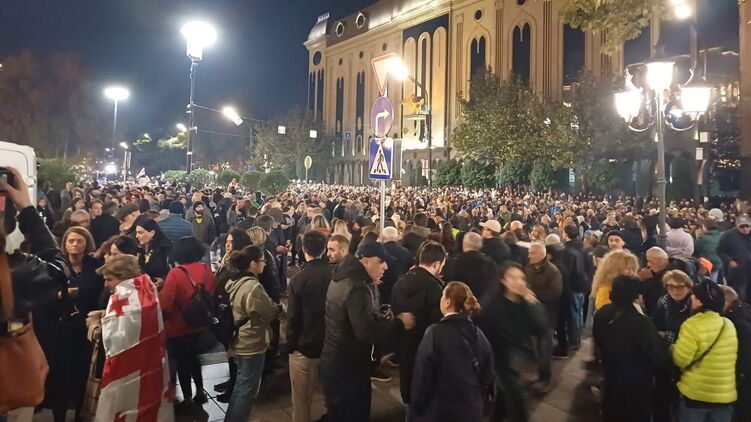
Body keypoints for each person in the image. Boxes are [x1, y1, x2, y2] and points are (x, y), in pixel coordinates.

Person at [320, 241, 415, 421]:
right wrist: (399, 323)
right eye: (381, 262)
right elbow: (365, 332)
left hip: (336, 363)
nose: (386, 267)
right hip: (349, 370)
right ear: (365, 261)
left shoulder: (344, 277)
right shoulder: (357, 288)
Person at [94, 255, 173, 421]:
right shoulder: (146, 289)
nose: (106, 284)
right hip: (151, 361)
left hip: (127, 368)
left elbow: (115, 339)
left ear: (123, 277)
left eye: (109, 279)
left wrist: (94, 326)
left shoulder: (122, 297)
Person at [410, 281, 494, 422]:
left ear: (448, 302)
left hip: (441, 410)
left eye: (443, 296)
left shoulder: (434, 333)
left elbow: (423, 374)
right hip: (471, 409)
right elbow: (488, 372)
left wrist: (417, 407)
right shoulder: (478, 333)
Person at [592, 275, 671, 422]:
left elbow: (598, 343)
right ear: (635, 296)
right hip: (636, 384)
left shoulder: (602, 313)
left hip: (611, 377)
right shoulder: (641, 322)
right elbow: (659, 356)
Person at [477, 263, 547, 422]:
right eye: (512, 278)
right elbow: (483, 333)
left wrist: (533, 304)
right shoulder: (492, 304)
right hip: (500, 361)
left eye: (521, 278)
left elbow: (541, 328)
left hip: (519, 360)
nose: (518, 282)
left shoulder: (525, 303)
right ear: (503, 281)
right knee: (518, 405)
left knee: (503, 402)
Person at [224, 246, 280, 422]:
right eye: (263, 261)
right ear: (253, 263)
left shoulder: (235, 281)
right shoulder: (253, 286)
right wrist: (278, 308)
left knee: (241, 386)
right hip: (251, 342)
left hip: (238, 339)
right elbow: (268, 311)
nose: (265, 264)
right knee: (247, 391)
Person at [160, 236, 216, 409]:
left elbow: (165, 306)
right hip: (201, 325)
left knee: (182, 362)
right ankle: (200, 390)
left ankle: (187, 398)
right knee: (194, 359)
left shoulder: (176, 273)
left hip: (179, 326)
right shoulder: (207, 269)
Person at [390, 242, 447, 411]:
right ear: (437, 264)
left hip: (404, 346)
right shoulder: (435, 288)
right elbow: (437, 324)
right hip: (425, 350)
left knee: (409, 392)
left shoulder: (400, 282)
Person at [673, 279, 738, 421]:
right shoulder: (728, 325)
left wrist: (672, 348)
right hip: (724, 396)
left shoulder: (692, 325)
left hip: (696, 396)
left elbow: (681, 360)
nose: (691, 297)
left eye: (694, 296)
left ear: (700, 302)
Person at [286, 231, 331, 422]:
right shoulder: (335, 274)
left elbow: (293, 318)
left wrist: (289, 345)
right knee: (332, 397)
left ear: (304, 250)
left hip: (305, 347)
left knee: (302, 400)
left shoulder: (299, 279)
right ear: (325, 249)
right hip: (331, 345)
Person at [212, 228, 252, 402]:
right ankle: (231, 382)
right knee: (229, 352)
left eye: (231, 242)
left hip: (234, 314)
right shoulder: (227, 260)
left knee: (235, 354)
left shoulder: (239, 265)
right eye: (227, 242)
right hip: (224, 312)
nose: (227, 245)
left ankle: (234, 388)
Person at [524, 242, 562, 391]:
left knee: (545, 348)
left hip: (547, 316)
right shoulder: (529, 267)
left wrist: (534, 294)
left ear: (541, 255)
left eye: (532, 253)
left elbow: (555, 293)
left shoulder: (553, 271)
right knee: (536, 347)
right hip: (531, 314)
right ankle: (540, 374)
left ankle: (545, 379)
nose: (529, 255)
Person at [720, 285, 751, 422]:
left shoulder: (738, 324)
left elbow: (745, 355)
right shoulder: (742, 314)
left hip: (741, 380)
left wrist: (739, 375)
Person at [448, 232, 497, 301]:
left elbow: (453, 286)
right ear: (480, 245)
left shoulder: (456, 263)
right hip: (486, 303)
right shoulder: (490, 263)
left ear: (464, 244)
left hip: (463, 303)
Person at [717, 214, 751, 301]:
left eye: (747, 226)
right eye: (742, 227)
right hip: (737, 272)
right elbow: (720, 250)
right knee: (739, 296)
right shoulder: (728, 236)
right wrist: (729, 261)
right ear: (737, 226)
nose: (745, 229)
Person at [380, 226, 414, 305]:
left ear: (383, 237)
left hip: (381, 291)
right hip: (401, 292)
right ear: (397, 237)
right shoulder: (406, 252)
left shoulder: (378, 252)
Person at [135, 218, 172, 287]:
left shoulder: (165, 247)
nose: (137, 236)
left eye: (140, 232)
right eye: (136, 232)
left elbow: (173, 269)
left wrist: (164, 279)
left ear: (152, 233)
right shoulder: (139, 248)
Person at [638, 247, 671, 317]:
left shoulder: (670, 276)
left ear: (661, 261)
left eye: (650, 261)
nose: (648, 265)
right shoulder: (656, 272)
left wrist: (648, 280)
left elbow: (653, 300)